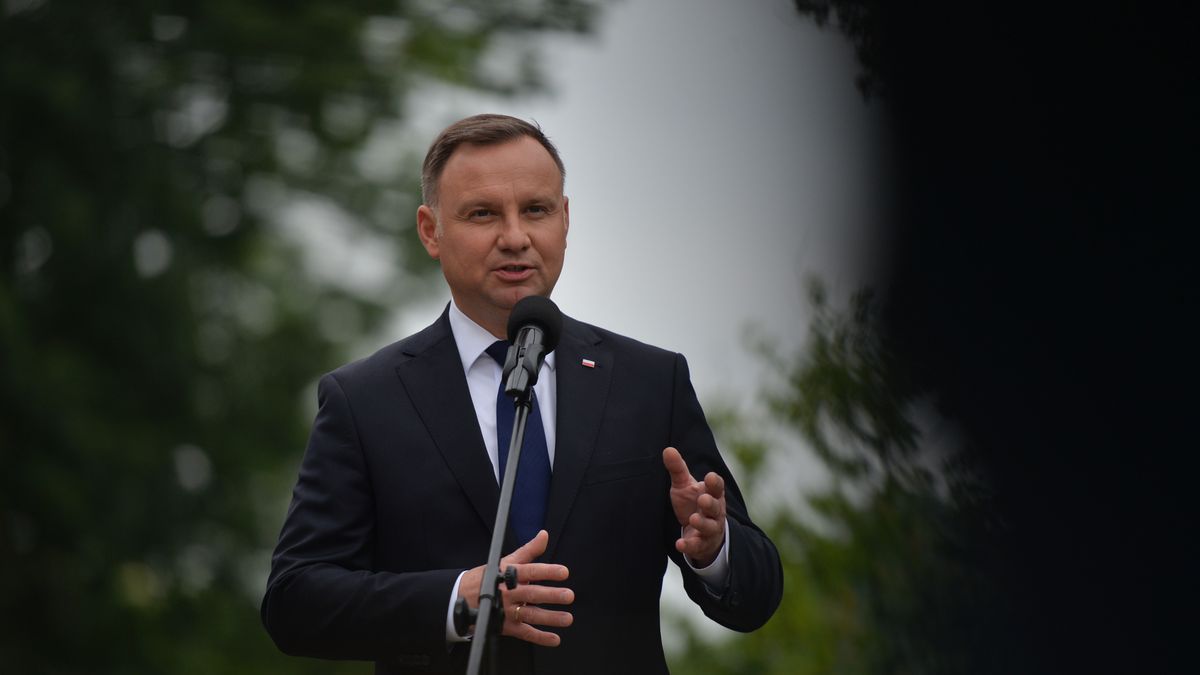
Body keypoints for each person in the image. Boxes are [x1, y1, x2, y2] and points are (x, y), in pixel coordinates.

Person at [261, 114, 783, 674]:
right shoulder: (365, 400)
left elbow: (755, 594)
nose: (515, 238)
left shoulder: (650, 382)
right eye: (483, 214)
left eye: (535, 210)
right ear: (431, 231)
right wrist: (458, 599)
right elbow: (296, 600)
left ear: (564, 218)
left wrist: (713, 548)